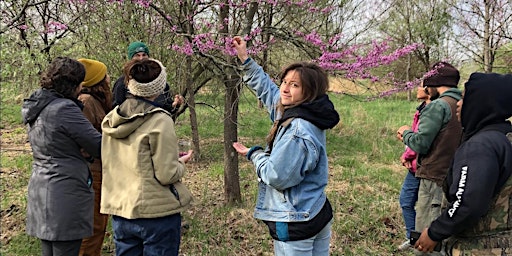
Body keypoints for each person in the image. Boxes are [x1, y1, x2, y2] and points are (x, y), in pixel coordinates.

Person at [231, 36, 339, 256]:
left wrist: (254, 154)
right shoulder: (306, 110)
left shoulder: (297, 130)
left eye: (295, 85)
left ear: (309, 92)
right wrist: (245, 58)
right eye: (285, 82)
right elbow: (268, 91)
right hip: (315, 210)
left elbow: (276, 176)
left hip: (296, 220)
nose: (285, 89)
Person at [100, 58, 194, 256]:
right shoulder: (161, 120)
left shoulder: (112, 120)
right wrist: (181, 164)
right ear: (160, 86)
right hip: (156, 214)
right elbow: (167, 174)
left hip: (122, 211)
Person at [414, 72, 512, 255]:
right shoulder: (505, 137)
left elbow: (467, 202)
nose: (458, 103)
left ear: (481, 103)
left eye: (465, 97)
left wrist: (435, 232)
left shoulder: (479, 147)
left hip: (481, 247)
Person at [21, 57, 102, 256]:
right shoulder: (64, 109)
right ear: (73, 84)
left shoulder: (38, 105)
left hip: (42, 190)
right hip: (64, 194)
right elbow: (100, 146)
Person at [397, 61, 463, 255]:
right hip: (454, 175)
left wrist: (406, 133)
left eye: (427, 85)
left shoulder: (438, 106)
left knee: (427, 237)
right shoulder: (461, 104)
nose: (425, 89)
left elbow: (420, 143)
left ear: (435, 84)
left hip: (434, 177)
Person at [76, 58, 112, 256]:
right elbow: (83, 141)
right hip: (91, 174)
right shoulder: (87, 103)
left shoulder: (96, 102)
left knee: (98, 226)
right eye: (105, 75)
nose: (108, 78)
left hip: (99, 172)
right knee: (92, 229)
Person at [111, 41, 183, 119]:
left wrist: (176, 105)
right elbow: (115, 112)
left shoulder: (159, 82)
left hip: (158, 125)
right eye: (137, 55)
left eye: (144, 55)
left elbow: (168, 109)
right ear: (130, 59)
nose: (141, 58)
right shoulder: (122, 83)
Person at [397, 84, 431, 250]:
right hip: (416, 166)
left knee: (411, 201)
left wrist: (407, 155)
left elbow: (419, 140)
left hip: (421, 167)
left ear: (428, 90)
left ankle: (416, 239)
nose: (417, 88)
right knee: (408, 201)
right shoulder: (423, 109)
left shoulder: (430, 112)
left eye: (421, 85)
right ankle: (413, 238)